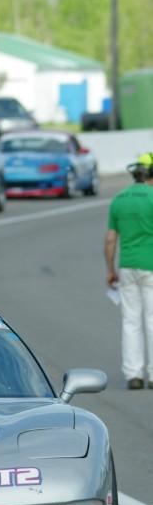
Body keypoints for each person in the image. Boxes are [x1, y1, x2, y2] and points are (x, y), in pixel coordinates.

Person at [104, 152, 153, 389]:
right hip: (151, 266)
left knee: (130, 321)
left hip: (127, 267)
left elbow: (110, 240)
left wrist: (110, 270)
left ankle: (133, 375)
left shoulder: (119, 199)